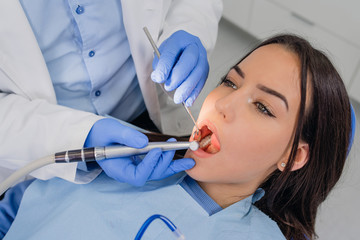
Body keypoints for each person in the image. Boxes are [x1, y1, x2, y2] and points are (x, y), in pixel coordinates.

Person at [0, 34, 354, 239]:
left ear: (293, 157)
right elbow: (12, 209)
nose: (223, 104)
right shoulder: (112, 160)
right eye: (230, 81)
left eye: (262, 107)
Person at [0, 0, 223, 184]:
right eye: (232, 83)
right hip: (40, 140)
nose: (225, 106)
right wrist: (82, 136)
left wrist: (190, 28)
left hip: (147, 116)